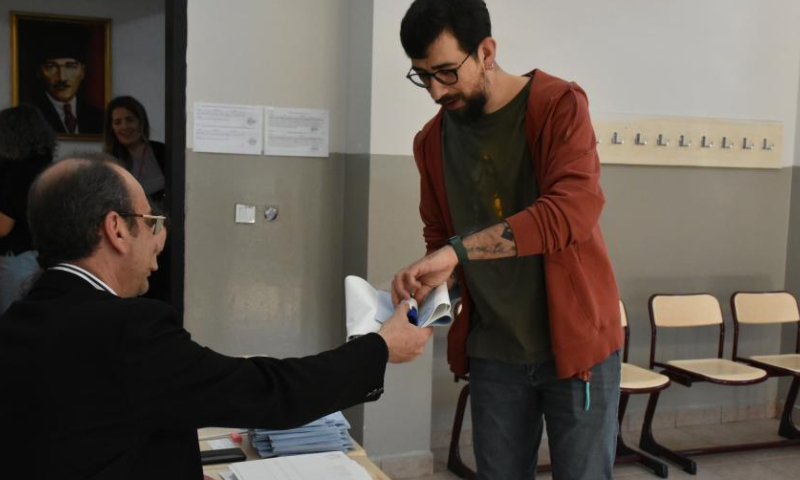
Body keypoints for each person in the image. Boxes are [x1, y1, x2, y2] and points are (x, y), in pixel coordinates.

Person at [0, 154, 433, 479]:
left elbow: (92, 438)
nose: (159, 241)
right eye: (152, 222)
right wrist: (381, 347)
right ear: (116, 229)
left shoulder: (18, 321)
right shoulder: (128, 329)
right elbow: (268, 393)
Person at [392, 1, 623, 478]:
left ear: (487, 52)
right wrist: (426, 295)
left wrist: (455, 251)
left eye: (447, 72)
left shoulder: (558, 105)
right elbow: (443, 243)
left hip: (575, 349)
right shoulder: (430, 143)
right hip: (495, 354)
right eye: (422, 76)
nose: (436, 91)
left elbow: (570, 213)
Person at [0, 105, 55, 313]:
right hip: (36, 254)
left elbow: (3, 226)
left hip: (15, 259)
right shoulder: (44, 164)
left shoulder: (18, 171)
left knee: (10, 323)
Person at [26, 23, 104, 135]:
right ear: (38, 72)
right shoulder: (30, 119)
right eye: (51, 66)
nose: (62, 77)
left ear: (83, 72)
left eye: (70, 66)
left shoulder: (100, 118)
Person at [104, 95, 166, 207]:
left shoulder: (162, 151)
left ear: (141, 122)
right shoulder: (108, 161)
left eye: (130, 120)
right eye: (118, 122)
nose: (124, 126)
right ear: (111, 128)